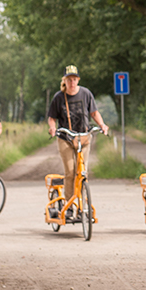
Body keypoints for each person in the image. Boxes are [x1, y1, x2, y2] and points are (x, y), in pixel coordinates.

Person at [47, 65, 109, 204]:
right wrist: (52, 128)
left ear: (78, 80)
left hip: (84, 137)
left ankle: (82, 202)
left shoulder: (86, 94)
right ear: (65, 81)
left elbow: (94, 113)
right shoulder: (59, 97)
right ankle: (70, 205)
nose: (72, 82)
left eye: (74, 79)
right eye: (69, 80)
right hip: (66, 138)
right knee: (70, 172)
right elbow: (52, 117)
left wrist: (102, 125)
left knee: (82, 172)